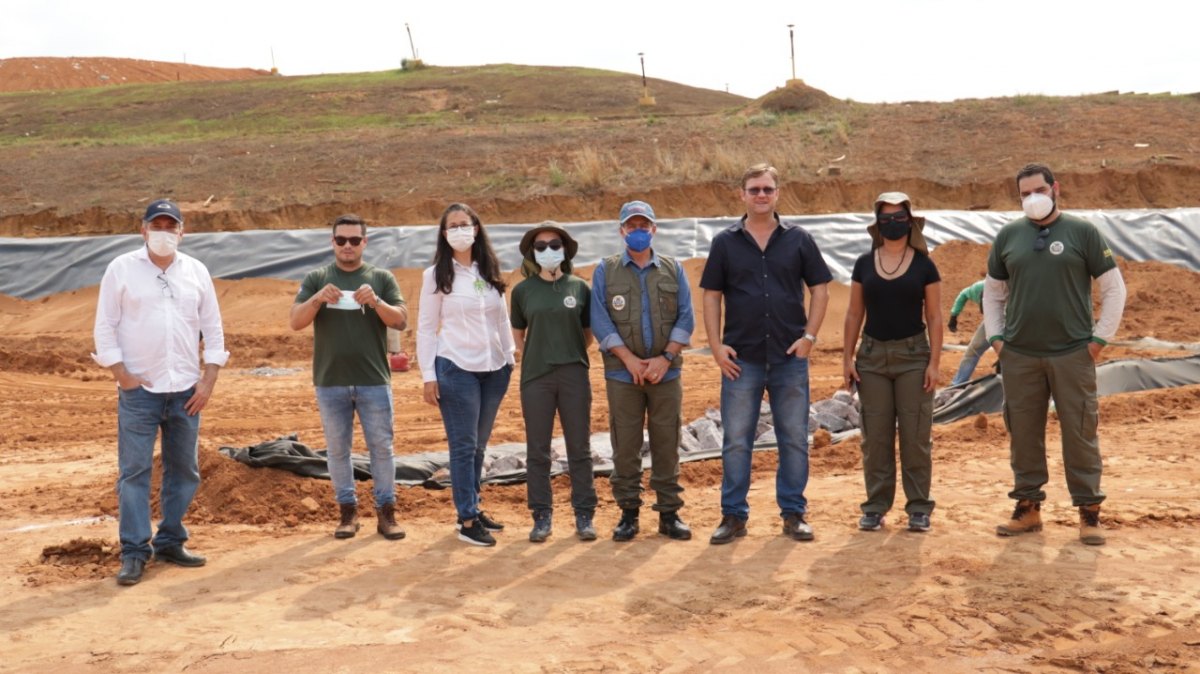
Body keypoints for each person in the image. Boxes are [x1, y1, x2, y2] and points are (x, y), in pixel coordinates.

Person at [985, 163, 1126, 546]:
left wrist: (1098, 341)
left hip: (1072, 353)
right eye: (1025, 194)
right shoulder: (1008, 236)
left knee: (1080, 432)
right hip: (1020, 355)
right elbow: (993, 293)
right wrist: (998, 340)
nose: (1033, 198)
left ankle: (1089, 512)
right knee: (1023, 433)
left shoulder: (1083, 232)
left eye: (1039, 190)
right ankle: (1027, 508)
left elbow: (1114, 289)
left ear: (1055, 189)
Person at [93, 198, 229, 586]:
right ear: (143, 230)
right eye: (158, 226)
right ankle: (135, 551)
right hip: (140, 391)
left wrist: (208, 379)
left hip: (186, 390)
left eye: (172, 227)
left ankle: (170, 540)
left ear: (182, 233)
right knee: (135, 471)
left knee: (183, 470)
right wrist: (122, 375)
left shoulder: (196, 271)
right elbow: (105, 326)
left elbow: (213, 328)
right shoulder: (121, 269)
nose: (164, 233)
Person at [699, 163, 832, 544]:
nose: (761, 195)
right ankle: (733, 516)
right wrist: (715, 346)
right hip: (741, 360)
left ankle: (793, 513)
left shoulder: (799, 239)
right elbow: (711, 295)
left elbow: (820, 289)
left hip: (790, 358)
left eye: (767, 189)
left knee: (794, 439)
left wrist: (810, 337)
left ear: (777, 193)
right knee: (736, 440)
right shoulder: (725, 243)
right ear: (742, 195)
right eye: (754, 189)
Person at [289, 214, 409, 541]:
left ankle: (386, 513)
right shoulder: (317, 278)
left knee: (381, 449)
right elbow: (296, 321)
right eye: (341, 240)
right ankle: (347, 512)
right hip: (331, 381)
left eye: (354, 240)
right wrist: (317, 299)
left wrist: (376, 301)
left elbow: (400, 321)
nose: (347, 246)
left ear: (364, 243)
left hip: (373, 380)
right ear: (332, 242)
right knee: (337, 450)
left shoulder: (381, 278)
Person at [590, 200, 695, 542]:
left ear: (654, 229)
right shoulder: (606, 270)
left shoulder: (672, 269)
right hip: (623, 375)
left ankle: (669, 513)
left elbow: (686, 316)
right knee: (625, 444)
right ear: (622, 231)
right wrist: (629, 360)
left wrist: (665, 358)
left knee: (667, 441)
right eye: (632, 226)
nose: (638, 231)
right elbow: (600, 319)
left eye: (643, 225)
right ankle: (628, 513)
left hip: (666, 374)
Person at [417, 203, 516, 547]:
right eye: (453, 225)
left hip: (494, 369)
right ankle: (467, 520)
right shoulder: (435, 276)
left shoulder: (487, 270)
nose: (460, 230)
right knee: (463, 446)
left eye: (465, 224)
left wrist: (510, 357)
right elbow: (426, 328)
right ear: (444, 234)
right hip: (456, 368)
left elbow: (501, 317)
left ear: (476, 228)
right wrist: (428, 375)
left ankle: (473, 504)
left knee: (478, 446)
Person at [843, 193, 942, 533]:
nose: (893, 223)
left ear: (910, 221)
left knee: (915, 437)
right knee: (875, 437)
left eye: (899, 217)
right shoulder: (864, 263)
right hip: (871, 359)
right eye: (886, 218)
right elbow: (854, 312)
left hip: (914, 358)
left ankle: (919, 508)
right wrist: (847, 358)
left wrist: (934, 363)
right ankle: (875, 506)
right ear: (877, 223)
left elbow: (934, 315)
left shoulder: (925, 265)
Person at [510, 222, 598, 542]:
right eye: (541, 246)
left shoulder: (580, 288)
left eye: (554, 245)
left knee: (580, 447)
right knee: (538, 450)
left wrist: (567, 351)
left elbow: (588, 334)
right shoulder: (522, 292)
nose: (548, 250)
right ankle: (541, 515)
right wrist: (538, 353)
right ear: (532, 253)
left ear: (565, 250)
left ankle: (584, 514)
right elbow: (518, 335)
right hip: (536, 377)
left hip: (574, 374)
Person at [948, 279, 990, 386]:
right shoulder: (977, 288)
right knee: (973, 351)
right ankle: (957, 384)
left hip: (1012, 319)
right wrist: (954, 315)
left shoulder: (1009, 289)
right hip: (992, 319)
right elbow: (963, 294)